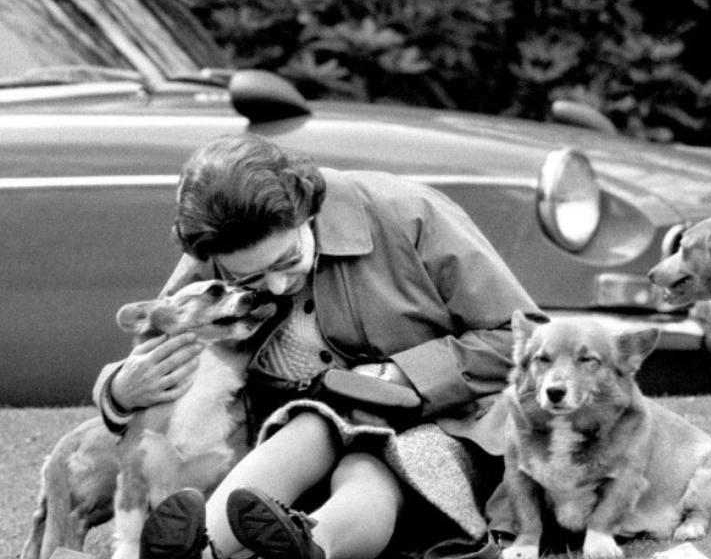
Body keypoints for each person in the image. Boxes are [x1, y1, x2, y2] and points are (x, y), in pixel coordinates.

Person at [93, 133, 544, 559]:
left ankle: (312, 544)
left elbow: (521, 338)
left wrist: (402, 376)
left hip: (438, 426)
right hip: (295, 436)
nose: (275, 284)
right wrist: (117, 391)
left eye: (287, 260)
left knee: (373, 465)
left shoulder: (409, 214)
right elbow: (156, 341)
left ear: (307, 209)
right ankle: (198, 548)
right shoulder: (223, 247)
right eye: (249, 280)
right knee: (311, 425)